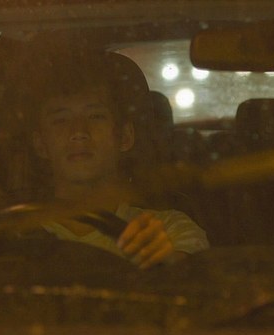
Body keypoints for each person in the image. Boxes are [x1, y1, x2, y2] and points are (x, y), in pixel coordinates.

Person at [28, 50, 208, 269]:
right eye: (61, 119)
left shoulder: (167, 230)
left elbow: (190, 280)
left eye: (95, 116)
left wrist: (163, 258)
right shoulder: (12, 237)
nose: (78, 132)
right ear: (40, 143)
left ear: (125, 136)